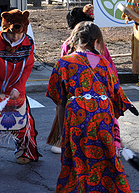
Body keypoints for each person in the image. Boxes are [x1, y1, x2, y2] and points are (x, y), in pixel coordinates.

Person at [47, 21, 133, 192]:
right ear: (96, 42)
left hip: (76, 119)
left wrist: (64, 133)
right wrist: (115, 133)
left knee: (75, 162)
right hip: (103, 119)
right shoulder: (105, 64)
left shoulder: (63, 63)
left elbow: (60, 102)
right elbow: (116, 99)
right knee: (105, 163)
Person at [0, 9, 40, 170]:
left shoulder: (29, 43)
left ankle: (25, 152)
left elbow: (28, 68)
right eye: (12, 34)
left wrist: (18, 87)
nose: (16, 37)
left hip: (16, 90)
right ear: (6, 29)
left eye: (20, 34)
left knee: (25, 122)